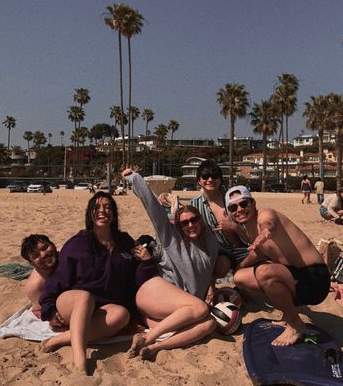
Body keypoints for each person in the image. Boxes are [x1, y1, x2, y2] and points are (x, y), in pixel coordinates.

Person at [39, 192, 158, 373]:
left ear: (114, 213)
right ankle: (80, 361)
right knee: (85, 298)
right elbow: (57, 278)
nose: (102, 211)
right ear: (90, 213)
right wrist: (50, 309)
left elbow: (136, 281)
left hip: (104, 308)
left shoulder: (124, 241)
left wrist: (147, 261)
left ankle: (62, 339)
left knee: (122, 315)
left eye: (107, 207)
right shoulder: (77, 243)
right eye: (97, 207)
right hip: (73, 302)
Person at [122, 168, 219, 361]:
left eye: (194, 220)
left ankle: (156, 347)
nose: (190, 225)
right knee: (200, 309)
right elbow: (152, 207)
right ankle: (148, 338)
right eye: (184, 223)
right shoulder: (171, 239)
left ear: (201, 221)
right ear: (178, 226)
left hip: (174, 313)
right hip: (154, 295)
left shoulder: (211, 244)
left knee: (209, 324)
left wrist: (212, 288)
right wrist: (134, 178)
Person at [226, 186, 330, 346]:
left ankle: (295, 324)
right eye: (233, 207)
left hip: (315, 278)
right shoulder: (249, 228)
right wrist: (240, 266)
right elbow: (259, 252)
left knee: (264, 272)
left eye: (244, 204)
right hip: (295, 279)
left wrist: (266, 232)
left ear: (253, 203)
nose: (239, 210)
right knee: (239, 278)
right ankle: (288, 315)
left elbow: (269, 224)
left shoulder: (264, 215)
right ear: (230, 212)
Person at [190, 159, 249, 273]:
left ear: (221, 179)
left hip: (245, 249)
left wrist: (234, 227)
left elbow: (252, 233)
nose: (210, 180)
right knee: (219, 265)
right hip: (218, 253)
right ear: (199, 180)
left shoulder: (235, 199)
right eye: (205, 176)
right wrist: (164, 198)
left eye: (215, 176)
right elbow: (177, 217)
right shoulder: (194, 205)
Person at [21, 234, 59, 319]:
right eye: (36, 256)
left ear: (53, 245)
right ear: (31, 263)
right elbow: (39, 311)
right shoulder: (35, 286)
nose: (43, 255)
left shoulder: (68, 256)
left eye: (45, 248)